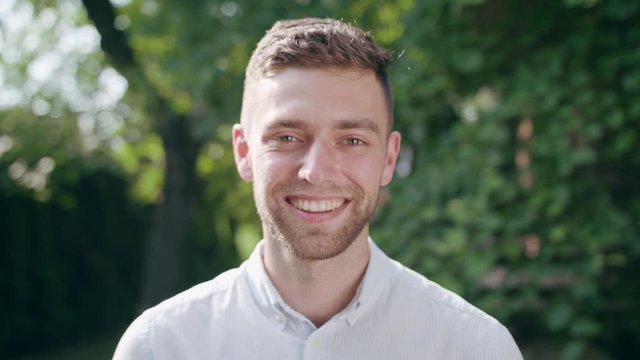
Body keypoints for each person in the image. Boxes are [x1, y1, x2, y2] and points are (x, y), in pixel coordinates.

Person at [113, 17, 523, 359]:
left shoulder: (477, 348)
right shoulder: (159, 347)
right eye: (287, 137)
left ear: (389, 158)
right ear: (243, 151)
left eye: (353, 140)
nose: (317, 171)